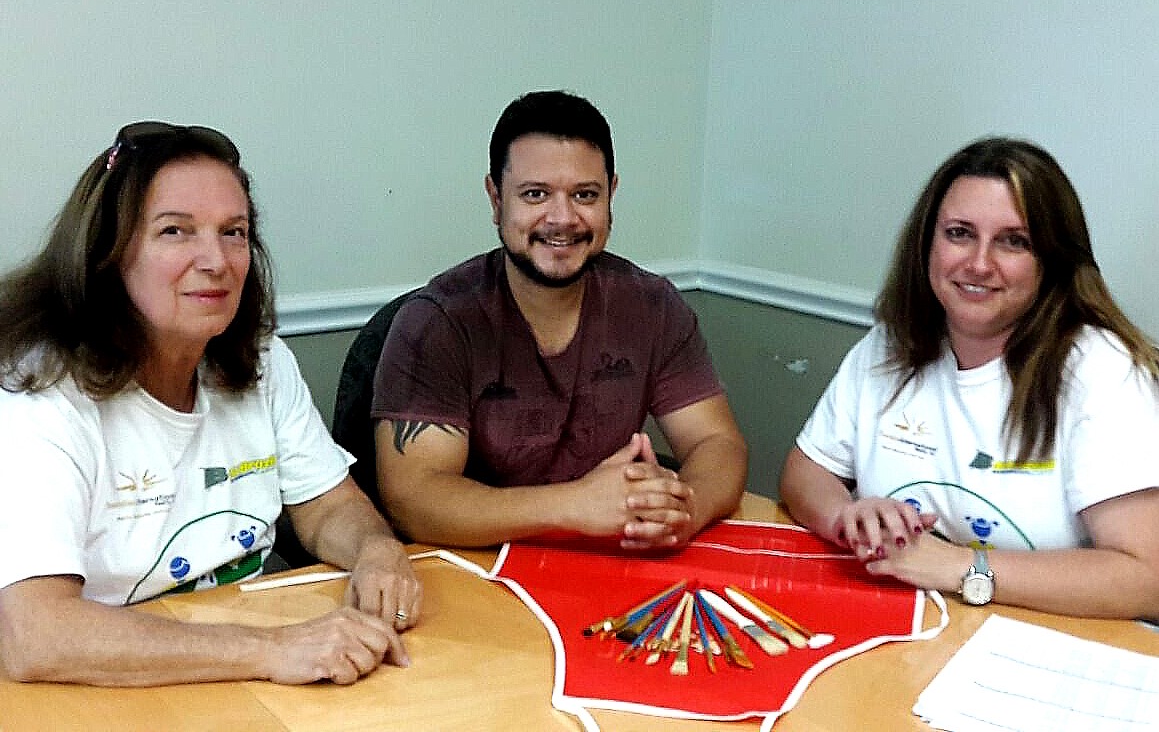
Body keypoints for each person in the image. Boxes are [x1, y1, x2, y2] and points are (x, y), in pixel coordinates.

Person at [0, 122, 422, 686]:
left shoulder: (261, 359)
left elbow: (325, 506)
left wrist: (377, 551)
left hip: (225, 674)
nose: (216, 260)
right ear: (108, 251)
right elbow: (37, 637)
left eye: (234, 232)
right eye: (176, 231)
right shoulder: (38, 394)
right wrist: (274, 650)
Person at [780, 137, 1159, 620]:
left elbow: (1147, 578)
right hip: (913, 626)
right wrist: (848, 517)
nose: (979, 263)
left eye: (1013, 241)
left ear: (1053, 260)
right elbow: (805, 471)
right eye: (959, 233)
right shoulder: (889, 345)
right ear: (927, 244)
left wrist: (961, 567)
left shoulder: (1102, 368)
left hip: (1053, 642)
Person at [372, 90, 748, 550]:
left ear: (611, 194)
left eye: (585, 195)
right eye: (535, 194)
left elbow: (717, 442)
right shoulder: (436, 323)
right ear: (496, 199)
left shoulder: (653, 306)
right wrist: (573, 506)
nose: (562, 218)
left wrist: (684, 509)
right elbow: (414, 497)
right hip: (473, 569)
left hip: (613, 561)